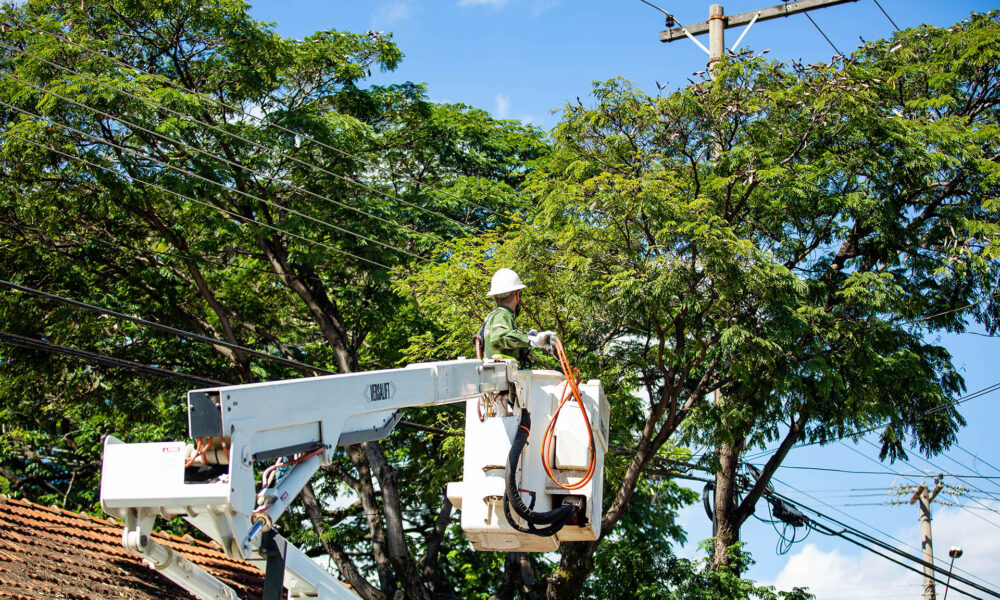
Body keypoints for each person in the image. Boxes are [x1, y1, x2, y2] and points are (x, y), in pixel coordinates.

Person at [477, 268, 555, 364]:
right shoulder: (503, 314)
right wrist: (531, 340)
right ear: (517, 294)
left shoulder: (494, 316)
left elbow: (504, 345)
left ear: (494, 298)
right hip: (502, 376)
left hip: (499, 374)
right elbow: (500, 336)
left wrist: (526, 339)